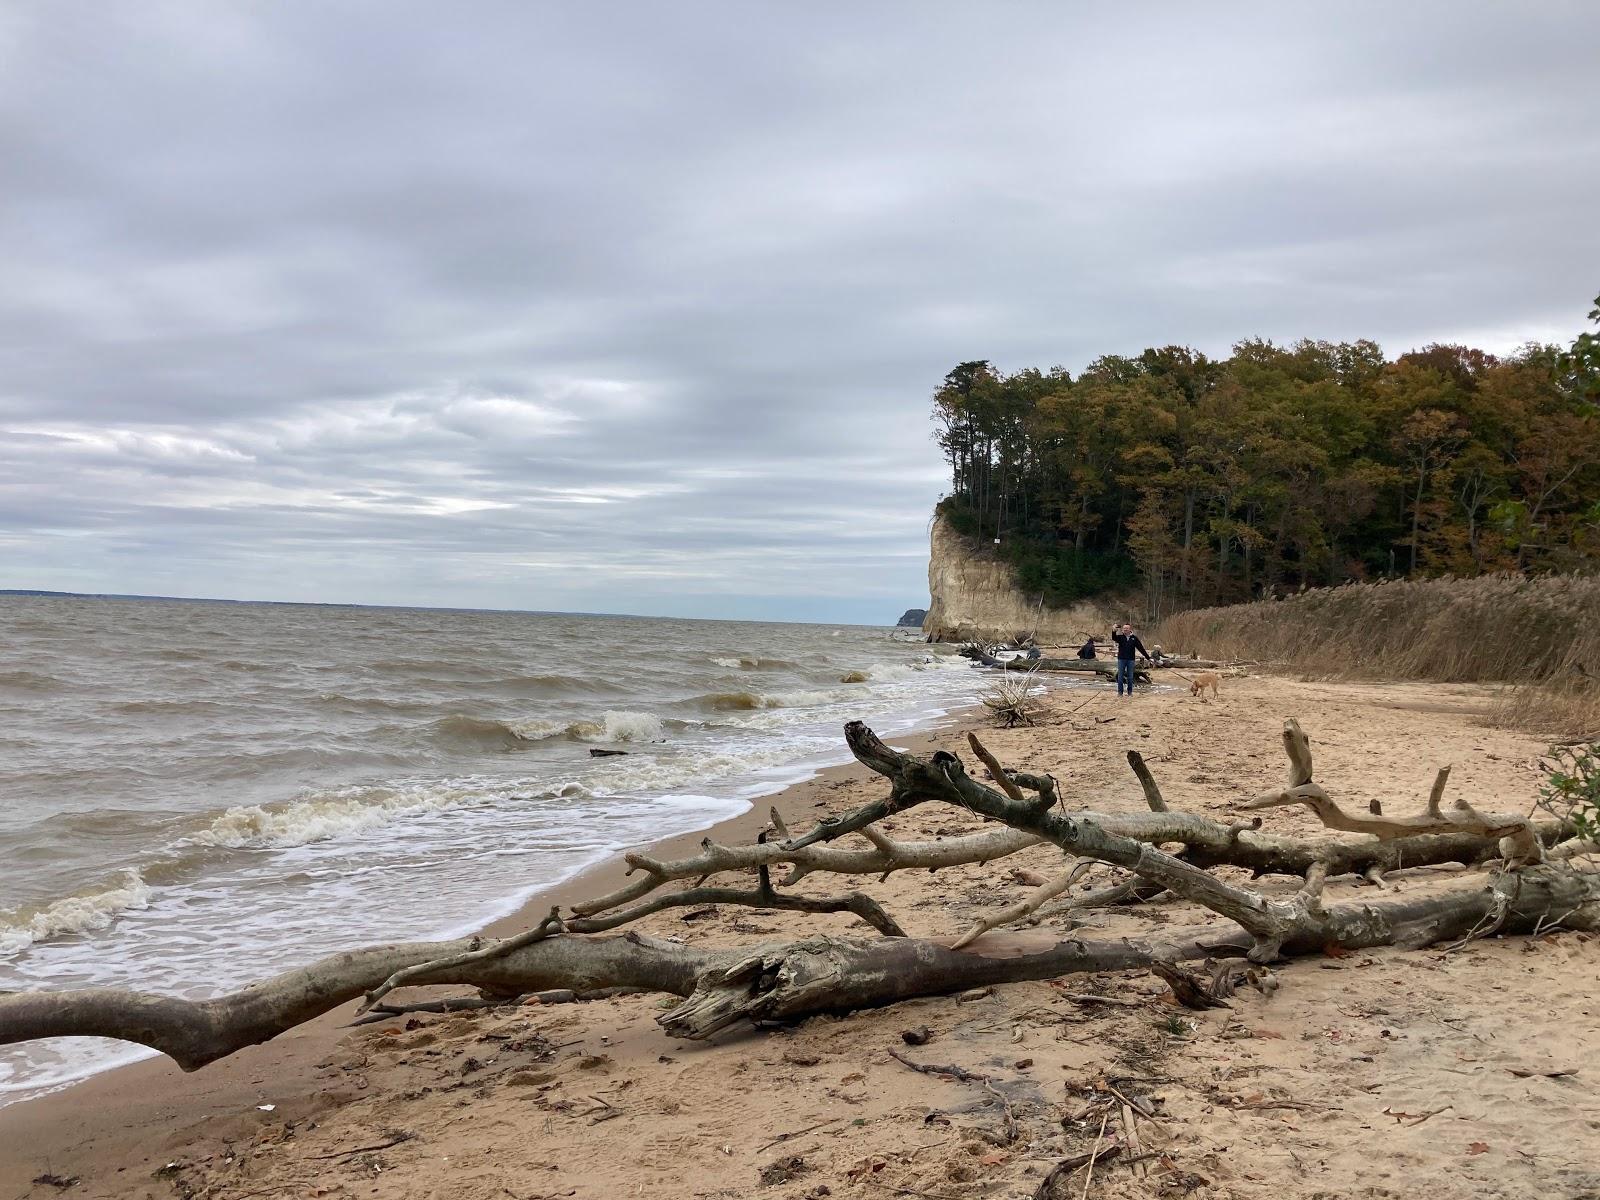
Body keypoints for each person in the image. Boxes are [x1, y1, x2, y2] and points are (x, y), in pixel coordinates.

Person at [1109, 622, 1152, 696]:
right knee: (1120, 676)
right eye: (1124, 628)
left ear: (1130, 629)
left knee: (1130, 677)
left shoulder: (1134, 638)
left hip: (1131, 660)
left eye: (1127, 628)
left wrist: (1148, 657)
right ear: (1123, 629)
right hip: (1121, 659)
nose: (1125, 629)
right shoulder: (1120, 637)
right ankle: (1120, 693)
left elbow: (1141, 649)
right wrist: (1113, 630)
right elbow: (1114, 638)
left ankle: (1130, 692)